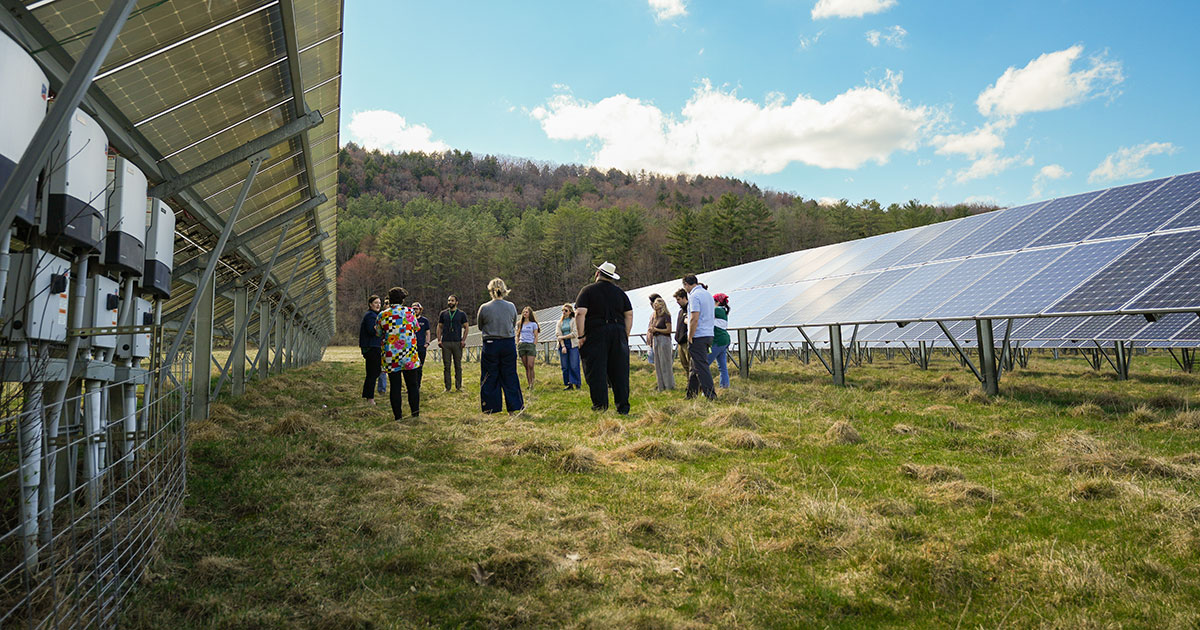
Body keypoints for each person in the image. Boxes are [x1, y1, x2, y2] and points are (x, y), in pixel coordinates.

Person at [575, 261, 633, 414]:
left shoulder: (587, 291)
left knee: (597, 371)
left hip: (596, 333)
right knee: (620, 371)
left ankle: (600, 406)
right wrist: (624, 335)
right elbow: (629, 314)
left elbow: (580, 313)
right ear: (612, 277)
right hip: (618, 332)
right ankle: (623, 407)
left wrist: (580, 335)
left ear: (597, 274)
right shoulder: (620, 293)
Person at [477, 278, 523, 414]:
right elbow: (513, 323)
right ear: (504, 290)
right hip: (508, 343)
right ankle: (514, 407)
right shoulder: (511, 306)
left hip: (491, 344)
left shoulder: (484, 307)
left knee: (489, 376)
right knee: (510, 375)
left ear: (490, 291)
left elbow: (480, 326)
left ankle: (490, 408)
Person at [376, 287, 422, 420]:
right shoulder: (410, 312)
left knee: (395, 386)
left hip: (391, 355)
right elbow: (417, 328)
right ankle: (415, 414)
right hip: (409, 354)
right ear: (402, 300)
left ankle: (398, 417)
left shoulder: (383, 315)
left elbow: (378, 333)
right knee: (412, 385)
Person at [683, 274, 717, 401]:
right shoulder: (707, 294)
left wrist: (690, 336)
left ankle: (710, 394)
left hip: (698, 335)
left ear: (686, 284)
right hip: (708, 333)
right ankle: (691, 394)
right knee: (695, 365)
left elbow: (694, 318)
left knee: (701, 366)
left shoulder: (694, 296)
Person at [436, 295, 469, 392]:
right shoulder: (443, 313)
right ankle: (447, 387)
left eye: (452, 300)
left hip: (457, 342)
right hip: (445, 342)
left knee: (458, 365)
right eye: (449, 300)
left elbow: (466, 327)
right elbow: (439, 327)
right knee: (447, 366)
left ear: (456, 302)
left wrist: (463, 340)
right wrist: (439, 339)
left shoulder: (461, 314)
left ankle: (458, 386)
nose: (450, 302)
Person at [358, 295, 383, 405]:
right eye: (376, 303)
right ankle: (370, 398)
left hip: (373, 347)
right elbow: (373, 331)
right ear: (370, 304)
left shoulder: (374, 315)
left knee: (372, 372)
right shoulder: (370, 316)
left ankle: (367, 395)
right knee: (373, 372)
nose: (378, 305)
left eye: (379, 303)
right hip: (372, 347)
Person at [649, 297, 675, 391]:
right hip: (656, 339)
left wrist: (656, 329)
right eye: (654, 303)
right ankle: (661, 386)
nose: (655, 305)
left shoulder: (666, 316)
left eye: (657, 303)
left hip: (664, 340)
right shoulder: (655, 316)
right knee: (658, 363)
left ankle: (669, 385)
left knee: (665, 363)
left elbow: (669, 330)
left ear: (662, 305)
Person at [556, 303, 581, 390]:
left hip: (572, 344)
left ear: (570, 312)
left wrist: (563, 337)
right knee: (565, 366)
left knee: (574, 364)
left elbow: (574, 333)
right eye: (562, 310)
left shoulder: (574, 321)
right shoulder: (559, 322)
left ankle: (576, 382)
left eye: (566, 310)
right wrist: (563, 346)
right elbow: (558, 334)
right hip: (563, 344)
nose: (564, 312)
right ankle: (568, 383)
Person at [709, 293, 731, 389]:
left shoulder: (717, 310)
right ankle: (724, 387)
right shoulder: (723, 310)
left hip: (718, 340)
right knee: (723, 367)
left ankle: (706, 388)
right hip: (724, 340)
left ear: (717, 302)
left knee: (704, 364)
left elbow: (704, 313)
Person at [517, 306, 540, 391]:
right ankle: (529, 383)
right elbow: (517, 334)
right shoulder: (519, 324)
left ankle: (532, 383)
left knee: (531, 365)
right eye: (524, 312)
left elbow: (536, 335)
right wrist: (518, 343)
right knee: (526, 366)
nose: (525, 314)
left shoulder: (533, 324)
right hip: (522, 345)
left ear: (530, 314)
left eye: (526, 312)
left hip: (530, 345)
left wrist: (534, 344)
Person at [412, 302, 430, 383]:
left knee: (419, 367)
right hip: (411, 347)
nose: (415, 310)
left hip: (421, 346)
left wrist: (427, 343)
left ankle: (417, 385)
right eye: (413, 309)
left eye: (416, 309)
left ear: (420, 310)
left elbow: (428, 332)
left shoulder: (424, 320)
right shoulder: (409, 320)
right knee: (411, 368)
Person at [673, 288, 690, 375]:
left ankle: (695, 386)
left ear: (684, 298)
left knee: (690, 364)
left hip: (687, 342)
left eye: (678, 299)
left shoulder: (690, 309)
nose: (677, 302)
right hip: (680, 342)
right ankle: (689, 384)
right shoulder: (680, 312)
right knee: (685, 365)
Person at [645, 293, 662, 363]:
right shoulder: (652, 314)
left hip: (659, 343)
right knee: (651, 364)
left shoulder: (663, 314)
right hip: (650, 343)